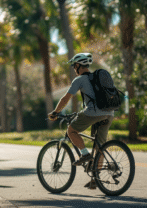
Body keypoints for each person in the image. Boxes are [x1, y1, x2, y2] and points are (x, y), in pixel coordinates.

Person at [48, 53, 114, 189]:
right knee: (100, 146)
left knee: (71, 130)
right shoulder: (97, 77)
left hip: (93, 112)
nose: (73, 68)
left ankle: (85, 154)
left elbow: (65, 99)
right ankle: (96, 179)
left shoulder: (79, 80)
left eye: (74, 66)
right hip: (109, 113)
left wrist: (56, 112)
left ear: (78, 65)